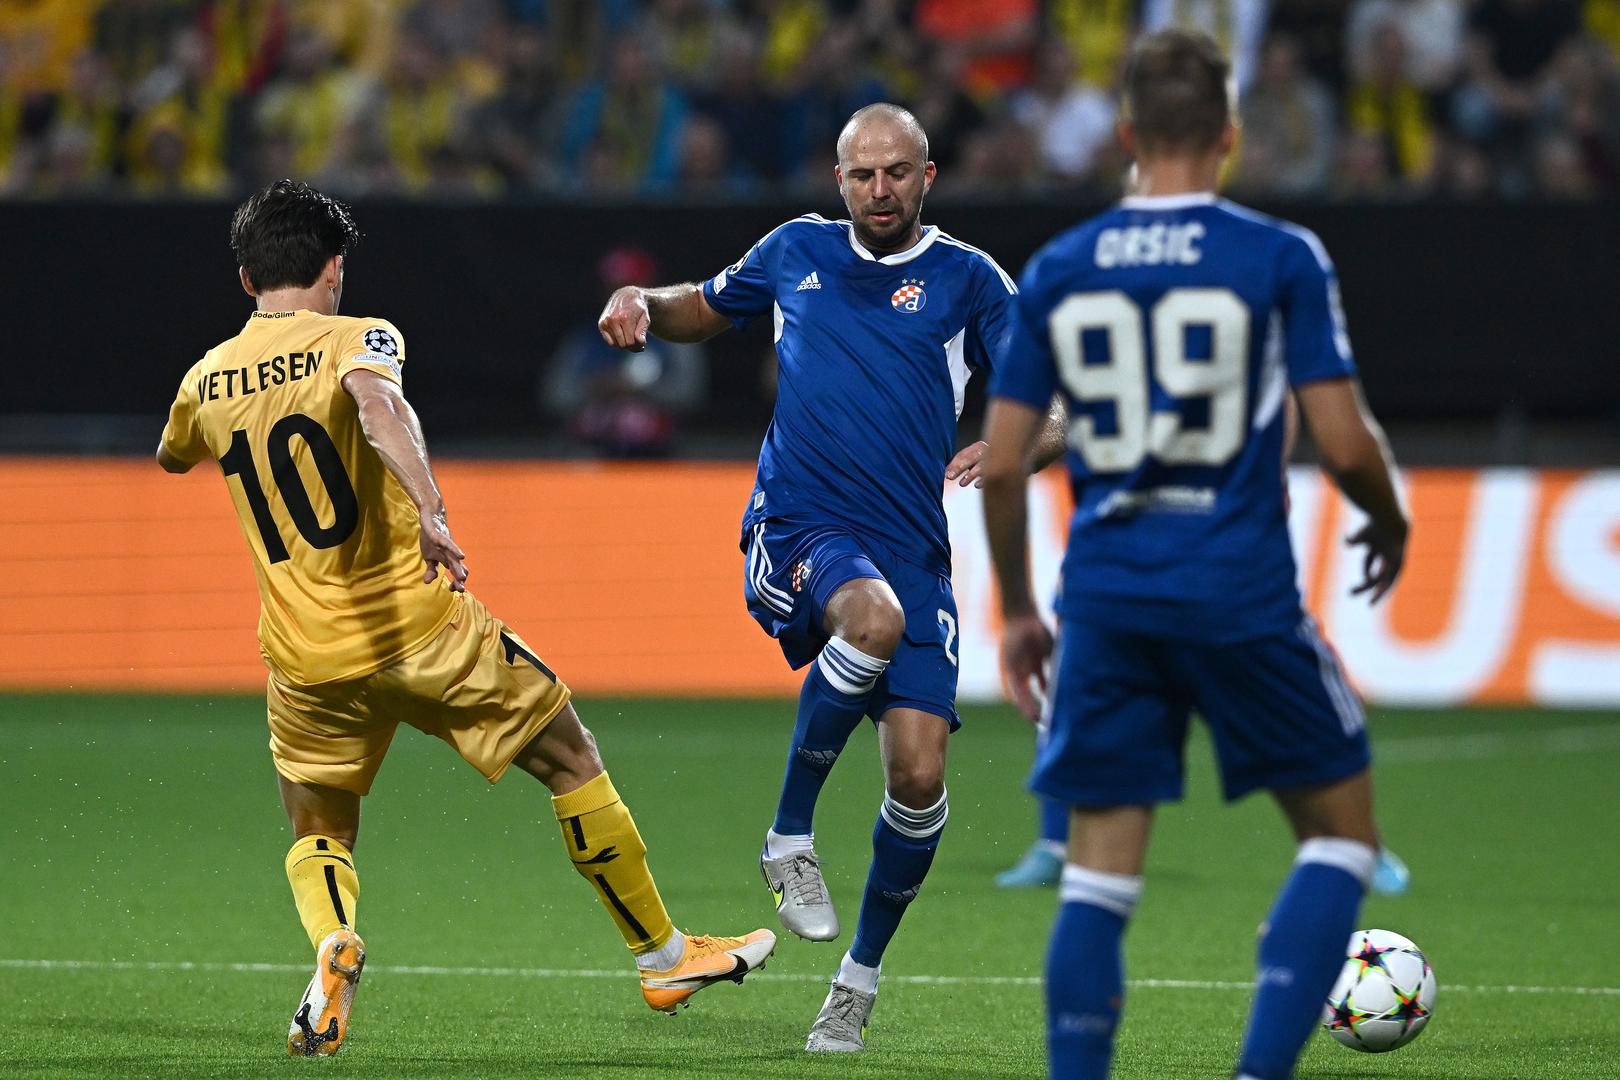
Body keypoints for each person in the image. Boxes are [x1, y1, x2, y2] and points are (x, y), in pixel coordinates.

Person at [156, 179, 774, 1058]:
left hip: (304, 657)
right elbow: (380, 407)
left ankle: (333, 944)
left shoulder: (205, 377)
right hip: (418, 630)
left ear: (247, 279)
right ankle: (663, 958)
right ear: (334, 269)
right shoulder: (359, 337)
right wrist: (431, 509)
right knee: (571, 757)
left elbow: (172, 452)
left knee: (320, 828)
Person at [979, 30, 1412, 1080]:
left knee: (1097, 880)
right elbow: (1345, 444)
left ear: (1126, 134)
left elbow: (1001, 465)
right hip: (1238, 592)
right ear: (1228, 135)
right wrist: (1387, 518)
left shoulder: (1059, 268)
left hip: (1107, 601)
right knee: (1341, 838)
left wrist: (1022, 609)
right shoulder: (1281, 256)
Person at [597, 104, 1063, 1051]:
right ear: (839, 180)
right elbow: (705, 306)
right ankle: (789, 836)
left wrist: (1024, 447)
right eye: (862, 174)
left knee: (920, 777)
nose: (879, 190)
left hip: (913, 546)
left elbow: (1053, 406)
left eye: (897, 172)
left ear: (928, 177)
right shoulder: (795, 250)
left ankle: (857, 981)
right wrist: (645, 297)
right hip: (802, 522)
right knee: (871, 621)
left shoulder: (971, 280)